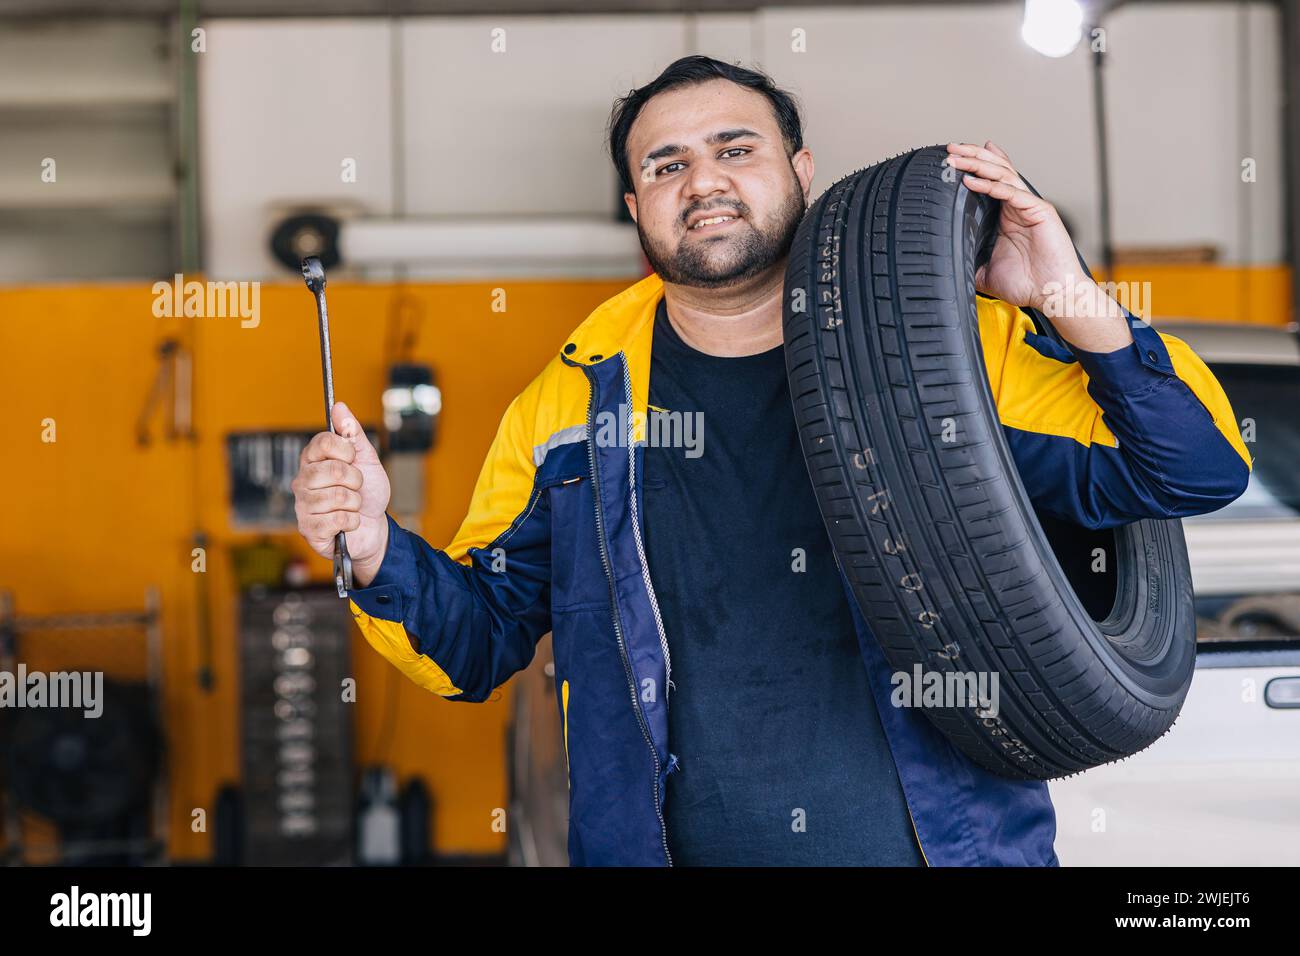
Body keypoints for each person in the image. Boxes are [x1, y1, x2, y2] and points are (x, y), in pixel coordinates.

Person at [291, 56, 1250, 866]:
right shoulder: (568, 409)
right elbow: (475, 643)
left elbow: (1193, 468)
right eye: (666, 166)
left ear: (801, 170)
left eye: (734, 150)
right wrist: (374, 546)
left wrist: (1067, 297)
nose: (702, 182)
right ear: (636, 207)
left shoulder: (943, 362)